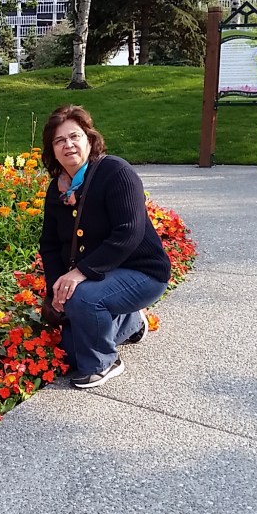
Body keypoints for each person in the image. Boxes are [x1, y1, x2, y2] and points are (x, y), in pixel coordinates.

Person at [39, 105, 171, 389]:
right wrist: (56, 288)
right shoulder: (57, 189)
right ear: (52, 150)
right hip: (101, 275)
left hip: (141, 271)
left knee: (83, 298)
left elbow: (129, 232)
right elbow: (49, 244)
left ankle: (104, 363)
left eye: (74, 136)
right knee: (71, 350)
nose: (68, 145)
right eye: (59, 140)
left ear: (89, 139)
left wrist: (79, 274)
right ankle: (132, 322)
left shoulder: (115, 172)